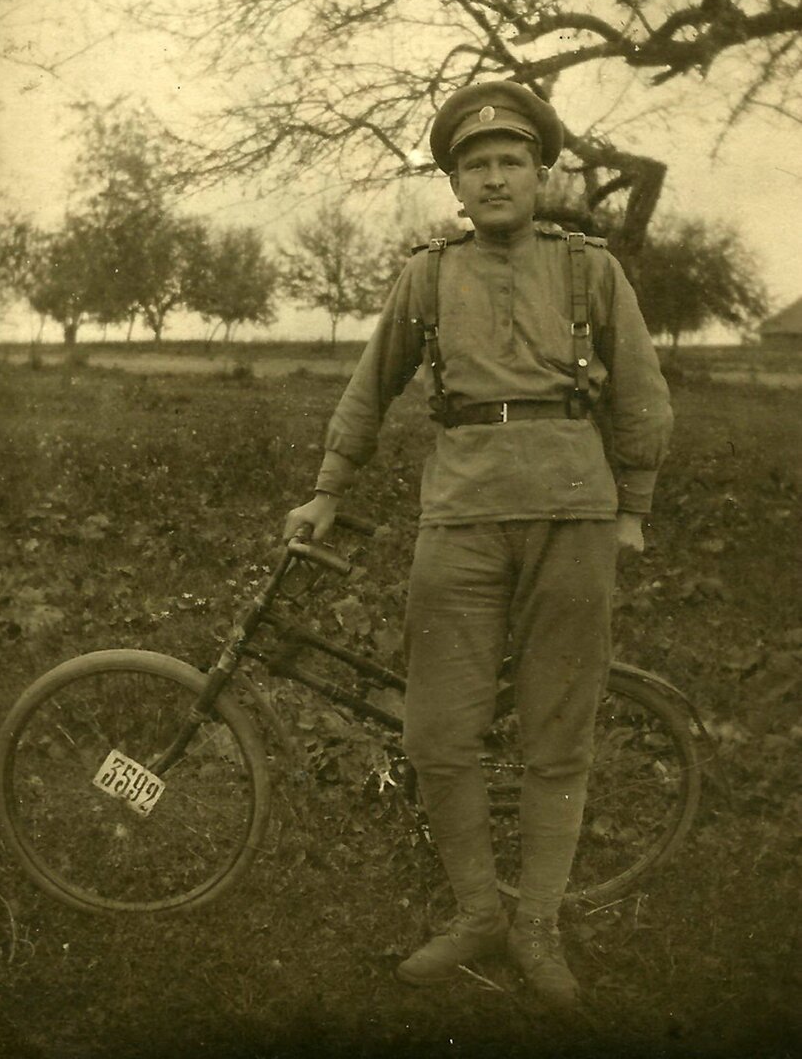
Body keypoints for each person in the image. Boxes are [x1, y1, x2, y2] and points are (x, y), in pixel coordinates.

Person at [283, 80, 673, 1004]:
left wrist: (634, 507)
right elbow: (371, 387)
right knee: (436, 731)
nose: (494, 179)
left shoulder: (589, 270)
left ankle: (536, 923)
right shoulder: (430, 271)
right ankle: (476, 913)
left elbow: (642, 395)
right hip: (458, 514)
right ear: (455, 186)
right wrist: (328, 490)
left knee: (557, 728)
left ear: (539, 173)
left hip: (574, 511)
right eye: (475, 166)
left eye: (510, 162)